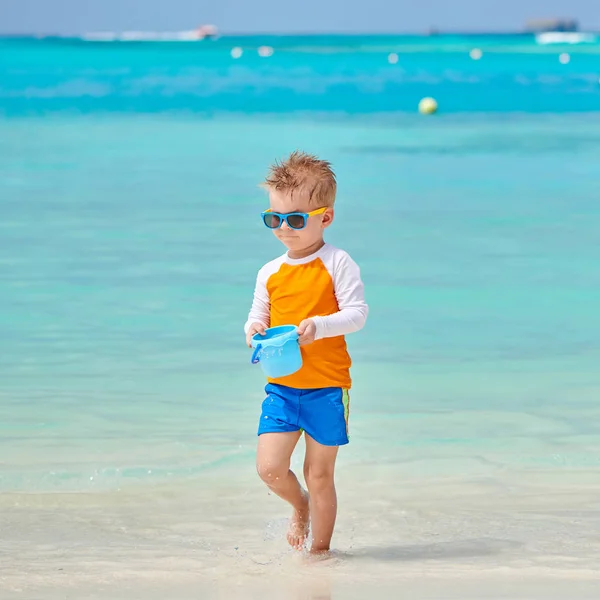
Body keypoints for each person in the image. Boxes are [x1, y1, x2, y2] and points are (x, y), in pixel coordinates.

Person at [244, 151, 368, 554]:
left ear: (325, 218)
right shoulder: (270, 271)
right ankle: (299, 507)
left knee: (319, 475)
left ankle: (321, 554)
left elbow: (357, 314)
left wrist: (319, 325)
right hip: (282, 386)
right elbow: (256, 316)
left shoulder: (336, 262)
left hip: (328, 387)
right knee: (270, 468)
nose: (284, 229)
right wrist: (253, 331)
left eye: (296, 220)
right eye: (274, 219)